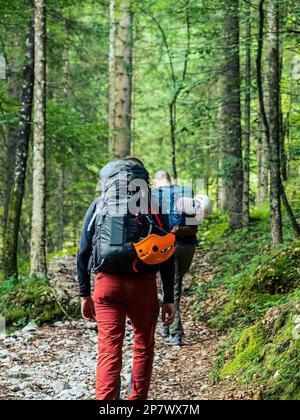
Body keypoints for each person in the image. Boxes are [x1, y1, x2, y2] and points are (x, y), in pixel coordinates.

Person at [77, 157, 175, 400]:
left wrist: (83, 294)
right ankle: (136, 400)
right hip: (142, 285)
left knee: (109, 349)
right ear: (142, 178)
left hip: (107, 284)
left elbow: (83, 252)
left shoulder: (100, 204)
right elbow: (166, 252)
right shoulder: (153, 205)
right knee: (143, 346)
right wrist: (169, 298)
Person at [153, 171, 210, 347]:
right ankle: (167, 325)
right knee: (175, 284)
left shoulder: (154, 194)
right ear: (171, 180)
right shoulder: (186, 191)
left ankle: (174, 332)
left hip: (166, 246)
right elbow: (194, 221)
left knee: (172, 288)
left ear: (157, 181)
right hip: (188, 245)